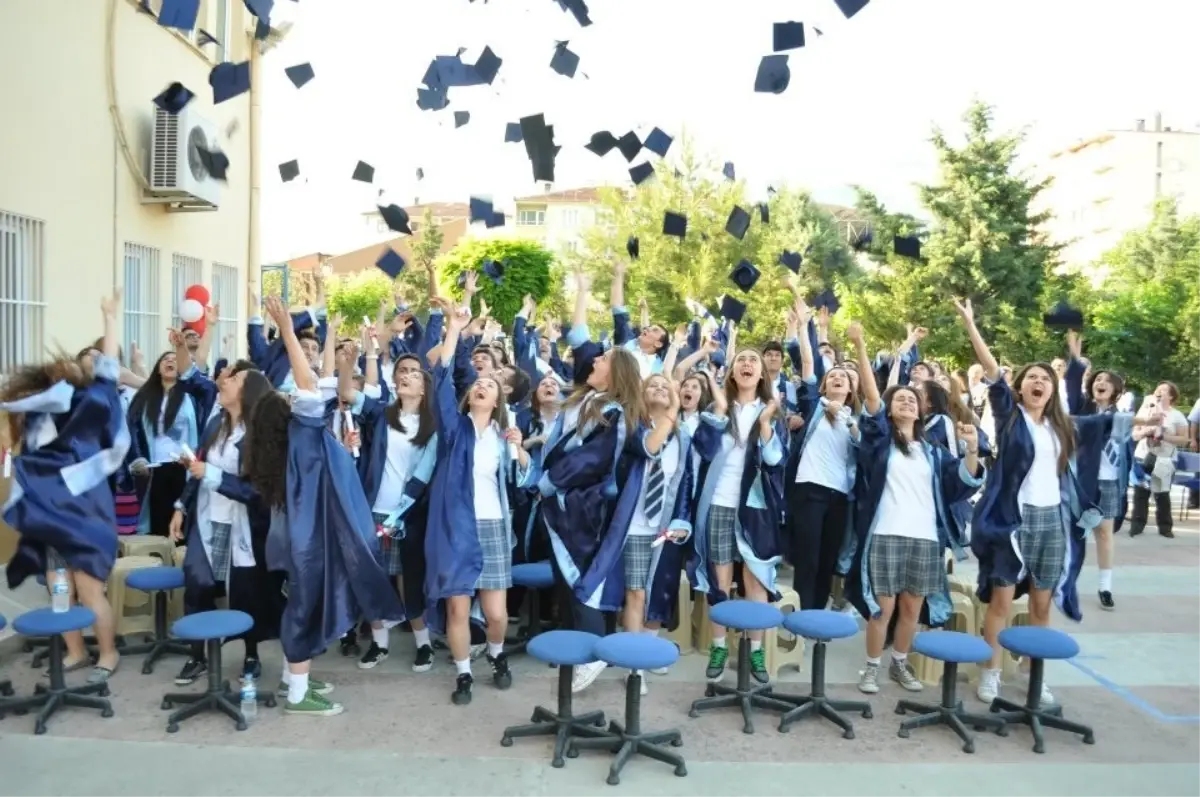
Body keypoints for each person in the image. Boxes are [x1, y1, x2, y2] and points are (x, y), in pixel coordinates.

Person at [243, 296, 404, 717]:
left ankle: (295, 677)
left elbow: (330, 387)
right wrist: (289, 332)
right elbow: (310, 385)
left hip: (304, 537)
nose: (300, 398)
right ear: (289, 417)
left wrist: (345, 362)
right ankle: (297, 696)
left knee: (304, 606)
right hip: (308, 541)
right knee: (304, 609)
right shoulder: (303, 435)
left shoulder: (299, 443)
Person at [956, 299, 1115, 707]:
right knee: (1003, 602)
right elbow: (992, 373)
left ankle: (1033, 675)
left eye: (1046, 378)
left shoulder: (1062, 426)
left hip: (1051, 524)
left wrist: (1077, 363)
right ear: (1020, 387)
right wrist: (972, 325)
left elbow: (1096, 415)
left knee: (1042, 604)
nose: (1039, 382)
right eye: (1031, 378)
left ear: (1052, 388)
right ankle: (990, 671)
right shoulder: (1010, 417)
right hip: (1013, 521)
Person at [842, 321, 983, 694]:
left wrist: (971, 450)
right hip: (885, 534)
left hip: (924, 539)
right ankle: (871, 667)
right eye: (899, 399)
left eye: (912, 399)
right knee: (881, 609)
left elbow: (961, 485)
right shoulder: (878, 442)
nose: (906, 401)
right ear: (889, 412)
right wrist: (859, 345)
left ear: (921, 411)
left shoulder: (934, 452)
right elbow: (872, 396)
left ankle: (899, 665)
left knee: (910, 610)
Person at [0, 290, 128, 684]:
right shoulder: (40, 415)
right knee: (59, 592)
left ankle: (108, 654)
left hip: (85, 514)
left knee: (89, 589)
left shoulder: (93, 405)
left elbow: (107, 368)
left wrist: (109, 317)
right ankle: (75, 652)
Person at [425, 299, 533, 706]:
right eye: (477, 385)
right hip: (457, 526)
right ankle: (464, 672)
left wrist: (521, 452)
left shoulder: (507, 435)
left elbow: (525, 479)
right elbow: (441, 377)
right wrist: (454, 327)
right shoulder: (455, 429)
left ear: (498, 399)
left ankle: (495, 653)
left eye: (490, 384)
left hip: (493, 526)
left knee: (497, 615)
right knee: (457, 610)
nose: (483, 385)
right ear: (469, 398)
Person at [170, 362, 285, 685]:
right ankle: (197, 655)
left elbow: (260, 492)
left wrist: (213, 476)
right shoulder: (214, 426)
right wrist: (181, 505)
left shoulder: (260, 436)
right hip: (208, 520)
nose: (224, 381)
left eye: (234, 379)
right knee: (197, 584)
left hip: (244, 527)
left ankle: (251, 654)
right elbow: (200, 465)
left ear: (247, 392)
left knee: (247, 593)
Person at [690, 325, 785, 686]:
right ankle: (718, 647)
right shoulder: (720, 408)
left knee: (756, 580)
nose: (747, 364)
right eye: (740, 359)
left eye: (753, 361)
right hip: (718, 503)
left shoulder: (772, 410)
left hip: (756, 508)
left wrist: (764, 425)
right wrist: (716, 411)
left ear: (762, 373)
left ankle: (756, 650)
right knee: (720, 581)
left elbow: (775, 460)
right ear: (731, 371)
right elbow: (703, 449)